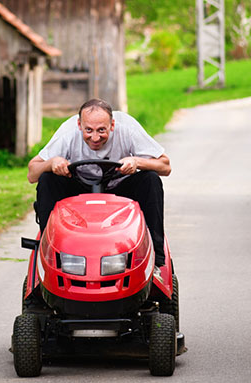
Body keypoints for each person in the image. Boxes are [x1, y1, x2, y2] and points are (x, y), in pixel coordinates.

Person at [27, 98, 171, 268]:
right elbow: (32, 173)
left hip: (119, 189)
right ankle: (49, 257)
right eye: (89, 130)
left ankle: (157, 262)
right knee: (47, 180)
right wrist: (51, 164)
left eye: (101, 130)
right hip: (79, 189)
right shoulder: (67, 132)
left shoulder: (128, 128)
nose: (95, 138)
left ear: (112, 125)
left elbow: (165, 166)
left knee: (150, 180)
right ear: (79, 125)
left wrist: (137, 162)